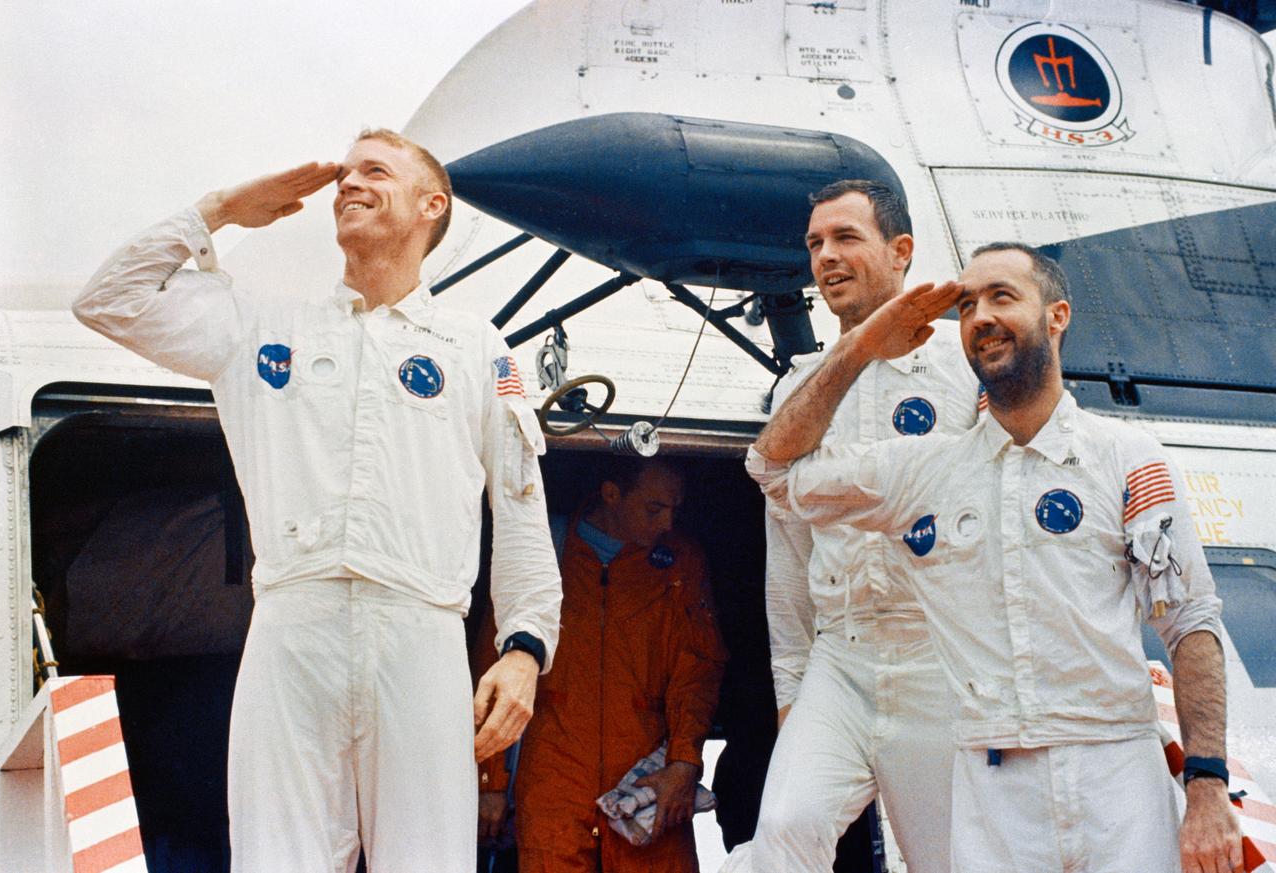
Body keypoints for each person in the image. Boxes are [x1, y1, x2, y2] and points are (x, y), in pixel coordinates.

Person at [73, 129, 562, 872]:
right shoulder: (263, 328)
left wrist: (525, 645)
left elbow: (522, 504)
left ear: (432, 205)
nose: (348, 184)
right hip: (291, 632)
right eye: (344, 175)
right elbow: (107, 300)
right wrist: (218, 210)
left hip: (420, 629)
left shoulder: (474, 346)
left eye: (375, 171)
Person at [749, 243, 1243, 873]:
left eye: (1002, 296)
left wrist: (1206, 790)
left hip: (1116, 777)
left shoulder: (1129, 458)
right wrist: (862, 345)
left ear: (1057, 315)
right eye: (966, 305)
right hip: (991, 791)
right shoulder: (925, 474)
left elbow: (1191, 623)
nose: (979, 315)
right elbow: (774, 467)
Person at [720, 179, 980, 873]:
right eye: (814, 244)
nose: (825, 256)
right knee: (785, 827)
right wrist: (791, 696)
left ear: (901, 252)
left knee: (947, 856)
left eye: (845, 238)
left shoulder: (964, 368)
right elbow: (788, 552)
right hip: (842, 653)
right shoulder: (800, 389)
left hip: (935, 651)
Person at [477, 457, 726, 872]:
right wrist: (491, 783)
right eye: (654, 508)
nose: (667, 522)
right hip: (552, 777)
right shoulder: (546, 549)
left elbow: (698, 669)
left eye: (675, 509)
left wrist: (683, 764)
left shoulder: (681, 559)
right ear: (611, 494)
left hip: (647, 779)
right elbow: (491, 667)